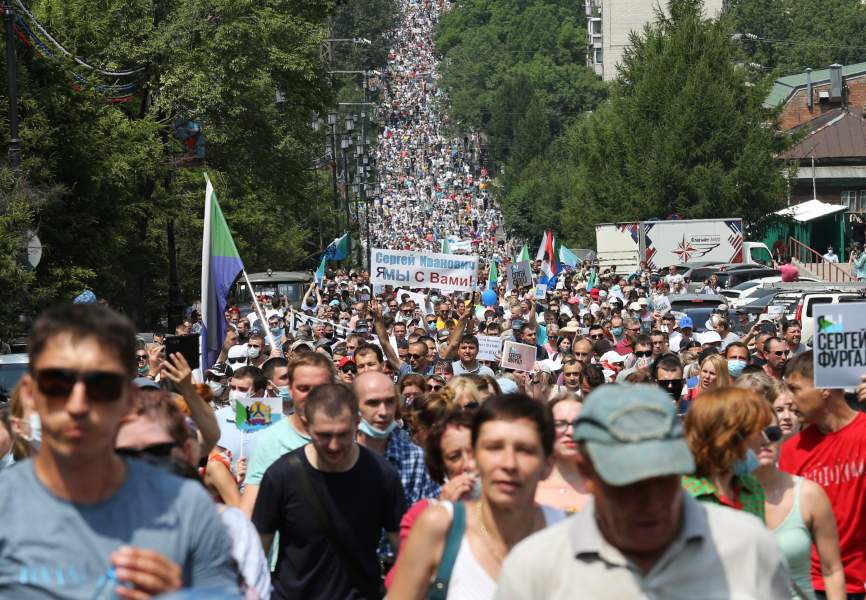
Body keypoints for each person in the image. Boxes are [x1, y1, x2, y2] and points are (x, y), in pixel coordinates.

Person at [0, 303, 239, 597]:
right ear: (29, 394)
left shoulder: (186, 506)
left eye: (102, 386)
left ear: (129, 399)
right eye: (57, 383)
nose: (78, 405)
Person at [493, 384, 791, 599]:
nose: (651, 502)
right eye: (627, 485)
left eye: (664, 478)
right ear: (587, 472)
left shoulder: (749, 546)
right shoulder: (535, 568)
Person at [389, 394, 565, 600]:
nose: (508, 463)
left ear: (548, 464)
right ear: (476, 458)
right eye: (494, 448)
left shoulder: (567, 534)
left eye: (525, 450)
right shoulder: (438, 525)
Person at [252, 383, 405, 600]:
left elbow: (404, 550)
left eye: (342, 434)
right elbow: (257, 553)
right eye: (324, 435)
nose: (333, 445)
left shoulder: (382, 474)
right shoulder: (281, 477)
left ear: (357, 423)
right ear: (307, 425)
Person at [781, 351, 866, 598]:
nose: (789, 399)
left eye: (794, 389)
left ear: (824, 388)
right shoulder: (791, 451)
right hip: (811, 587)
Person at [754, 415, 846, 600]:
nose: (765, 441)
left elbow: (832, 570)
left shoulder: (808, 494)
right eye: (755, 434)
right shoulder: (724, 497)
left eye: (772, 433)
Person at [241, 353, 335, 516]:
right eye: (303, 388)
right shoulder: (269, 438)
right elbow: (250, 509)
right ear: (291, 390)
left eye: (320, 387)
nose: (312, 395)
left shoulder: (349, 434)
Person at [681, 387, 772, 520]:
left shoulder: (752, 487)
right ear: (730, 436)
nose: (764, 440)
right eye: (758, 430)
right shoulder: (682, 495)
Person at [354, 371, 439, 508]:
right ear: (354, 406)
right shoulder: (337, 454)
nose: (383, 412)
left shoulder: (417, 459)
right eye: (373, 403)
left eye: (389, 402)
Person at [535, 394, 588, 513]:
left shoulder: (604, 488)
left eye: (578, 424)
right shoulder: (529, 486)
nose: (570, 431)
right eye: (560, 424)